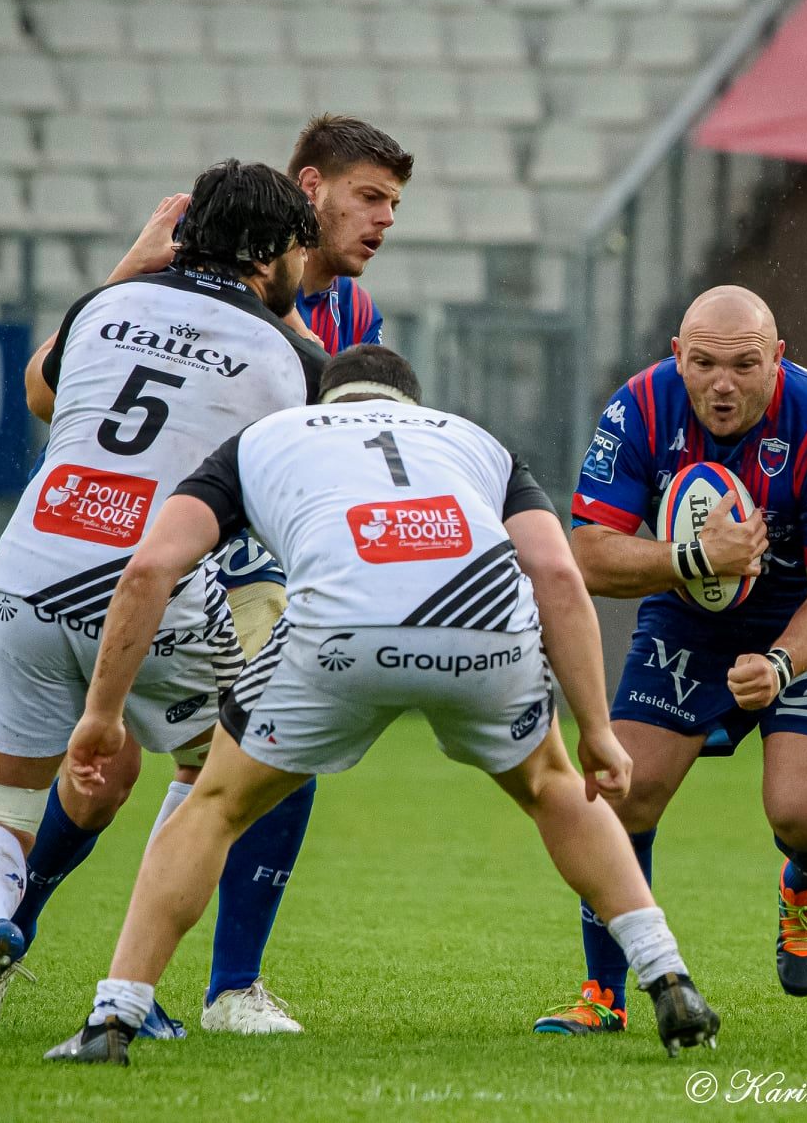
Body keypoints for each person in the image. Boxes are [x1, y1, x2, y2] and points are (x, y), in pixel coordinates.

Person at [39, 345, 716, 1064]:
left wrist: (102, 713)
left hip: (340, 628)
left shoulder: (267, 437)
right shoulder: (472, 440)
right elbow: (554, 571)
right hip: (482, 622)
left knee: (214, 806)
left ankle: (114, 1018)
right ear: (412, 403)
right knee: (553, 786)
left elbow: (151, 566)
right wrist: (599, 729)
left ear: (324, 401)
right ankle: (667, 975)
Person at [0, 116, 416, 1035]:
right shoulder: (244, 296)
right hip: (169, 534)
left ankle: (227, 986)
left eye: (392, 205)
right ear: (309, 193)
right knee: (157, 763)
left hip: (234, 541)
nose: (383, 220)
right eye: (369, 198)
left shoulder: (352, 315)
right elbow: (45, 391)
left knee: (262, 749)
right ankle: (40, 956)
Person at [0, 161, 326, 1047]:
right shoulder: (288, 355)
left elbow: (48, 392)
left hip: (29, 563)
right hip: (154, 587)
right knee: (229, 777)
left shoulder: (102, 307)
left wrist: (131, 268)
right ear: (275, 253)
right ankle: (133, 986)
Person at [534, 285, 807, 1034]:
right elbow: (587, 557)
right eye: (704, 364)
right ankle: (606, 994)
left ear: (778, 359)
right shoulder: (639, 409)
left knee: (804, 813)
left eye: (745, 365)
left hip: (805, 617)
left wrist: (781, 665)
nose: (723, 384)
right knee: (620, 793)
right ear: (676, 358)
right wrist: (697, 556)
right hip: (688, 612)